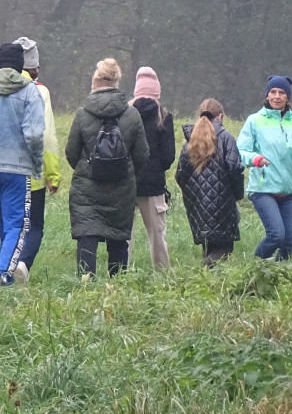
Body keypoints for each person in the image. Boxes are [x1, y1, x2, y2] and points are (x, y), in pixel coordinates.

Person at [0, 36, 61, 283]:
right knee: (16, 225)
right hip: (17, 168)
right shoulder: (31, 90)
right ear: (21, 66)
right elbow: (35, 134)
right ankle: (3, 273)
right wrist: (37, 163)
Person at [65, 58, 149, 277]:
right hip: (121, 189)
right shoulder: (132, 114)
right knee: (118, 238)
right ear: (117, 82)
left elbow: (71, 153)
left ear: (96, 82)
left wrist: (88, 169)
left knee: (87, 236)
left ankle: (86, 287)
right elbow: (142, 154)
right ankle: (117, 287)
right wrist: (127, 171)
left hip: (87, 189)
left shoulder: (83, 114)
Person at [236, 75, 292, 261]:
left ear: (288, 98)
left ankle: (279, 279)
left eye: (281, 93)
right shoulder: (255, 121)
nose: (277, 96)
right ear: (267, 95)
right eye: (273, 92)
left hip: (289, 191)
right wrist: (255, 159)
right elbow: (239, 152)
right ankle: (253, 271)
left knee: (290, 243)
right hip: (263, 189)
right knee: (276, 235)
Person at [175, 99, 247, 266]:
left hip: (197, 206)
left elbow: (180, 175)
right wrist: (237, 195)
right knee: (223, 251)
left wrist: (193, 195)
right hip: (223, 205)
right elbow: (235, 169)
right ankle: (202, 273)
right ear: (220, 117)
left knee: (209, 248)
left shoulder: (189, 142)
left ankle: (208, 285)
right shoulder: (226, 138)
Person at [129, 66, 175, 269]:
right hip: (154, 184)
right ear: (157, 92)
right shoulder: (163, 116)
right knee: (157, 235)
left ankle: (120, 273)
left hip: (127, 183)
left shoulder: (126, 114)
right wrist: (156, 168)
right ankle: (162, 274)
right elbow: (168, 156)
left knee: (124, 237)